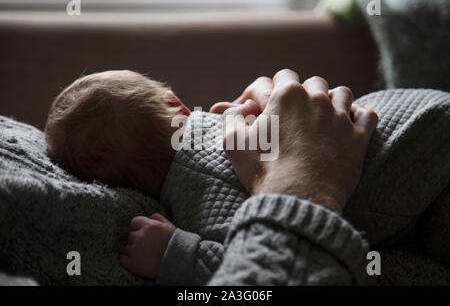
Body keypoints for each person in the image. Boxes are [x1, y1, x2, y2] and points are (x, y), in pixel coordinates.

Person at [44, 69, 450, 285]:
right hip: (415, 115)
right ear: (177, 105)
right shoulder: (237, 119)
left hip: (426, 169)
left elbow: (247, 262)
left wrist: (175, 254)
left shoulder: (197, 202)